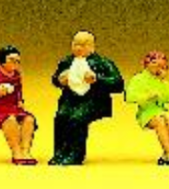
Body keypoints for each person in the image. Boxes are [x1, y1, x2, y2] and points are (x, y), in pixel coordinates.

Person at [50, 31, 125, 166]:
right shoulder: (66, 62)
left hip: (94, 100)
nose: (79, 48)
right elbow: (55, 79)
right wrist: (60, 80)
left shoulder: (103, 63)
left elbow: (118, 84)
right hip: (70, 100)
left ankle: (76, 155)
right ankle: (60, 152)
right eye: (76, 44)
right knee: (61, 117)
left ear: (92, 46)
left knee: (77, 118)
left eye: (83, 45)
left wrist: (97, 79)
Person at [0, 46, 38, 166]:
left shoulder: (16, 75)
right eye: (11, 60)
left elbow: (18, 91)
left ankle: (26, 151)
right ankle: (16, 151)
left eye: (17, 60)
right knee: (10, 120)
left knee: (29, 119)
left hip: (13, 108)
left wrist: (20, 101)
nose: (15, 63)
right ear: (2, 60)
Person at [126, 52, 169, 166]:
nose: (158, 68)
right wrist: (146, 97)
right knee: (160, 121)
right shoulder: (138, 79)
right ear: (147, 64)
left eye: (161, 66)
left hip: (161, 110)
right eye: (155, 64)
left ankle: (166, 155)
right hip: (146, 112)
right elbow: (129, 97)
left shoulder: (161, 81)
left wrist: (162, 81)